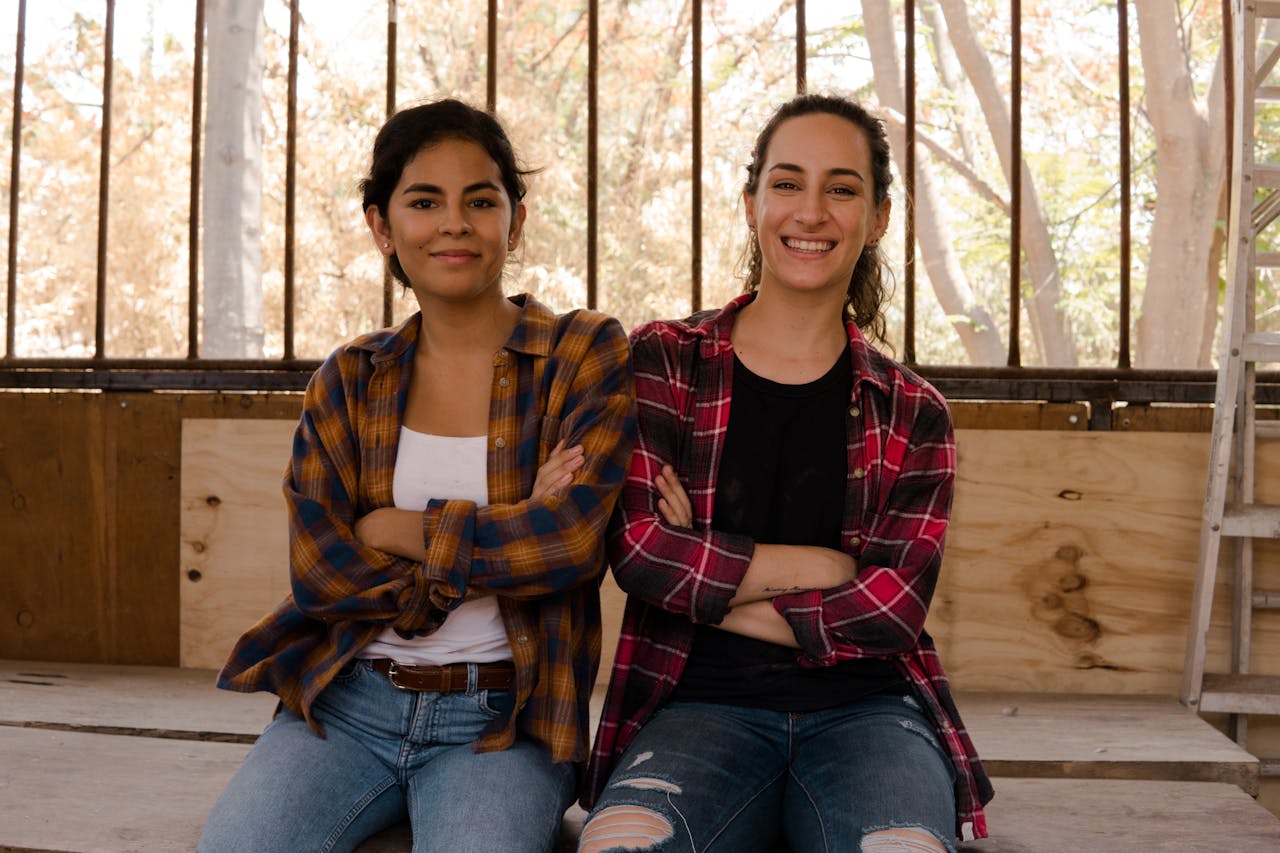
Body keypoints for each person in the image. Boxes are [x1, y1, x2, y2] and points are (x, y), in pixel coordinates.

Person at [199, 98, 636, 853]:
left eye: (480, 200)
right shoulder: (350, 377)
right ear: (382, 226)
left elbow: (567, 546)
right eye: (424, 201)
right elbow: (321, 575)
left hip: (504, 718)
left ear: (516, 219)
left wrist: (394, 528)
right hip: (347, 705)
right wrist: (507, 527)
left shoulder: (582, 354)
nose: (454, 223)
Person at [578, 93, 992, 853]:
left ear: (878, 218)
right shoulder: (665, 360)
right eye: (787, 183)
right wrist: (826, 568)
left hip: (871, 712)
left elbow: (890, 610)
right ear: (751, 203)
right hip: (697, 705)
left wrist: (702, 583)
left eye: (841, 188)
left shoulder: (914, 411)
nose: (811, 211)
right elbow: (638, 551)